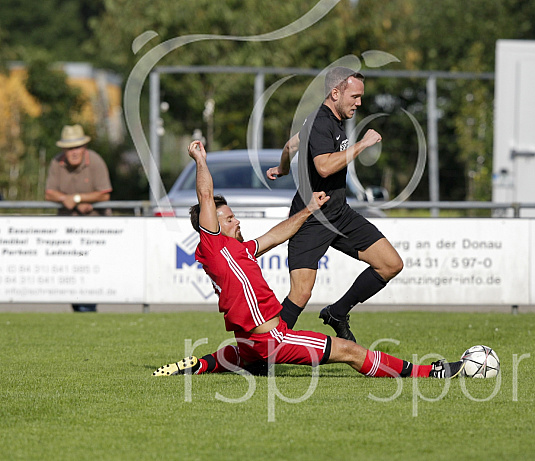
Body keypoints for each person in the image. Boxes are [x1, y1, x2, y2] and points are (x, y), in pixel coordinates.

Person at [152, 140, 462, 380]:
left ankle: (199, 364)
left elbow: (275, 235)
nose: (237, 222)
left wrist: (309, 209)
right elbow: (206, 196)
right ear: (214, 224)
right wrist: (201, 160)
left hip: (251, 342)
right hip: (272, 338)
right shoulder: (213, 244)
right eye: (230, 218)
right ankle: (428, 372)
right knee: (350, 352)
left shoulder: (240, 250)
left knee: (242, 353)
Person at [266, 66, 403, 343]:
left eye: (361, 96)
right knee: (301, 294)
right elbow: (325, 167)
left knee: (390, 264)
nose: (359, 102)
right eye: (355, 96)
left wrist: (282, 169)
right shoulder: (320, 120)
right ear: (335, 92)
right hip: (311, 217)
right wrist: (363, 144)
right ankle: (265, 350)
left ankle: (338, 313)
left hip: (339, 213)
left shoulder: (332, 121)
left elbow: (290, 146)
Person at [45, 124, 112, 313]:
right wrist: (70, 201)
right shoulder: (56, 163)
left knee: (91, 273)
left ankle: (87, 309)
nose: (73, 152)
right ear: (63, 150)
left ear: (84, 147)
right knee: (73, 273)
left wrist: (76, 198)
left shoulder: (96, 161)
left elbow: (104, 194)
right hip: (68, 231)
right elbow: (49, 193)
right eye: (69, 148)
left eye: (77, 147)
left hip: (95, 231)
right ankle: (81, 310)